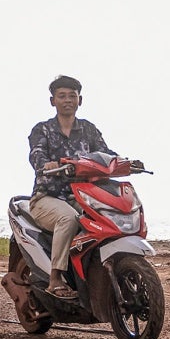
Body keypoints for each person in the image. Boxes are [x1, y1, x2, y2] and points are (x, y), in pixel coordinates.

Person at [28, 75, 118, 299]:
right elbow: (36, 153)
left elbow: (104, 153)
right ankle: (55, 278)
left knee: (107, 218)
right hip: (47, 197)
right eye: (62, 96)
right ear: (53, 101)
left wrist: (125, 162)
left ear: (80, 100)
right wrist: (45, 163)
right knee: (68, 218)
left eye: (72, 96)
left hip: (83, 196)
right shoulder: (43, 130)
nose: (67, 100)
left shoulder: (88, 129)